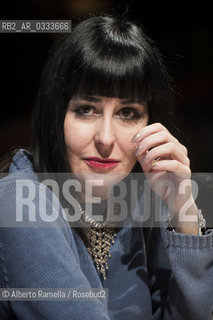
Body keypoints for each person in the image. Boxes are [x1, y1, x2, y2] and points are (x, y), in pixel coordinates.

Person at [0, 14, 213, 320]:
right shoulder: (18, 199)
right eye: (85, 110)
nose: (105, 138)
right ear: (55, 115)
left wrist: (185, 212)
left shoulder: (140, 195)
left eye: (128, 112)